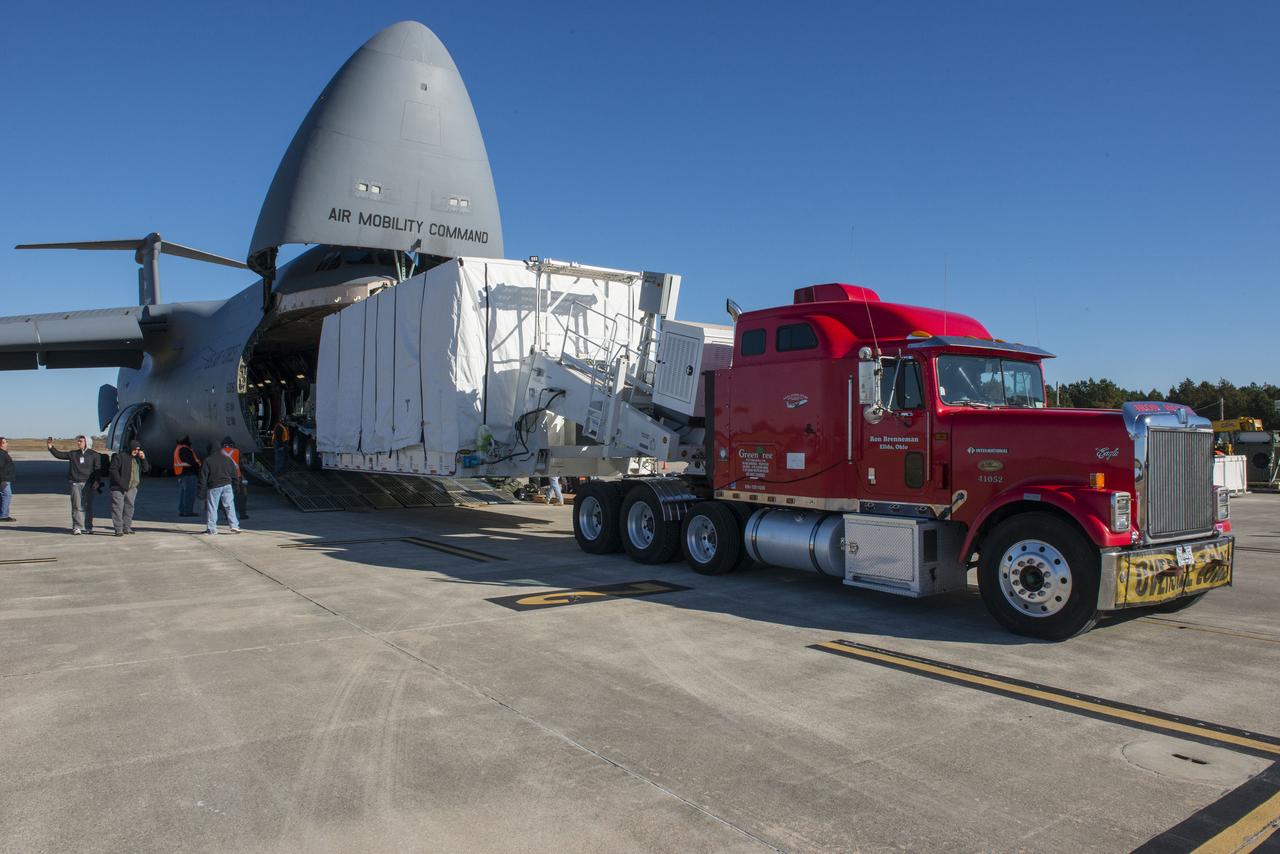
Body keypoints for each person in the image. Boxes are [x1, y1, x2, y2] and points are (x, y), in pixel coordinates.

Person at [47, 435, 103, 535]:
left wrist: (97, 481)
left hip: (88, 484)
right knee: (76, 506)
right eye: (78, 441)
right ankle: (77, 527)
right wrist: (51, 447)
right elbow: (60, 455)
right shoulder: (73, 454)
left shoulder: (95, 455)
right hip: (75, 483)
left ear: (87, 442)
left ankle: (88, 527)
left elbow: (97, 469)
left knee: (88, 506)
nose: (78, 443)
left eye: (80, 441)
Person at [200, 437, 242, 534]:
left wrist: (201, 491)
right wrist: (236, 486)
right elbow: (234, 474)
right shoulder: (227, 459)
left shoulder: (208, 460)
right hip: (227, 485)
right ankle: (234, 526)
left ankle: (212, 528)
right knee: (230, 506)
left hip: (214, 486)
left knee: (212, 507)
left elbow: (203, 477)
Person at [109, 440, 150, 536]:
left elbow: (146, 469)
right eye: (135, 449)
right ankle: (118, 529)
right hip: (118, 488)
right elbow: (113, 470)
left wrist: (143, 459)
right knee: (117, 508)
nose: (136, 451)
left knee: (129, 508)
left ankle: (126, 527)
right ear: (131, 448)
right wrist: (121, 484)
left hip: (132, 488)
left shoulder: (137, 459)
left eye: (138, 449)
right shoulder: (120, 457)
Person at [173, 436, 201, 517]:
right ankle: (188, 511)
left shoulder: (178, 448)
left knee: (184, 494)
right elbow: (190, 461)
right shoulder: (185, 449)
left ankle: (182, 510)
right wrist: (198, 465)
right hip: (189, 474)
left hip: (182, 474)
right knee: (189, 494)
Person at [0, 437, 15, 522]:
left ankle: (3, 514)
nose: (7, 444)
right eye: (5, 442)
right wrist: (3, 479)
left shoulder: (3, 453)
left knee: (3, 495)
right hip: (4, 479)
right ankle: (3, 515)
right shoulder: (1, 454)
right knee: (6, 495)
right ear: (1, 444)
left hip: (4, 478)